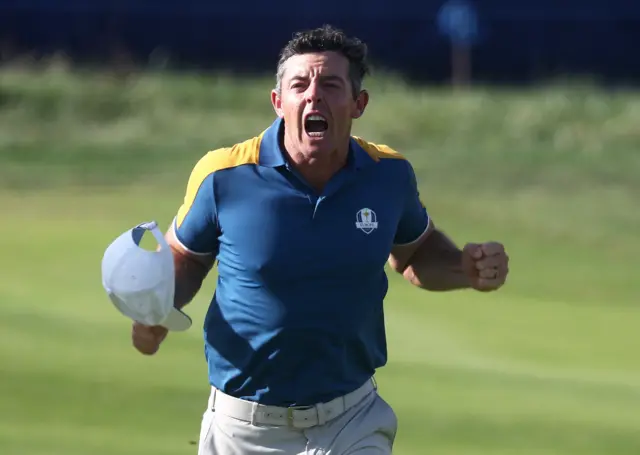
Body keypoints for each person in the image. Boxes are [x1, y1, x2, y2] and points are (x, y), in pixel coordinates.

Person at [131, 24, 509, 455]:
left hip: (351, 421)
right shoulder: (224, 176)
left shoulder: (388, 175)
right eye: (299, 85)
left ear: (358, 103)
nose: (314, 96)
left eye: (330, 85)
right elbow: (186, 256)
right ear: (279, 102)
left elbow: (415, 253)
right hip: (244, 429)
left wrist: (465, 267)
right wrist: (159, 307)